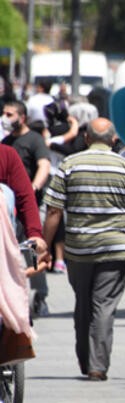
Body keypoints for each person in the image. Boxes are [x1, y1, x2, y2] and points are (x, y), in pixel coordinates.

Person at [42, 118, 125, 381]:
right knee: (104, 307)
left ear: (87, 138)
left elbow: (54, 210)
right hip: (115, 249)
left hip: (78, 249)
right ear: (114, 140)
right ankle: (97, 366)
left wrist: (45, 246)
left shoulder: (69, 165)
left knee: (83, 304)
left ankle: (84, 359)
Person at [2, 100, 53, 316]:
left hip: (26, 207)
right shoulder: (7, 142)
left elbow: (44, 165)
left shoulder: (33, 140)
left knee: (33, 250)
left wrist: (34, 186)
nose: (5, 117)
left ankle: (39, 295)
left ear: (22, 118)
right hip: (11, 210)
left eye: (9, 114)